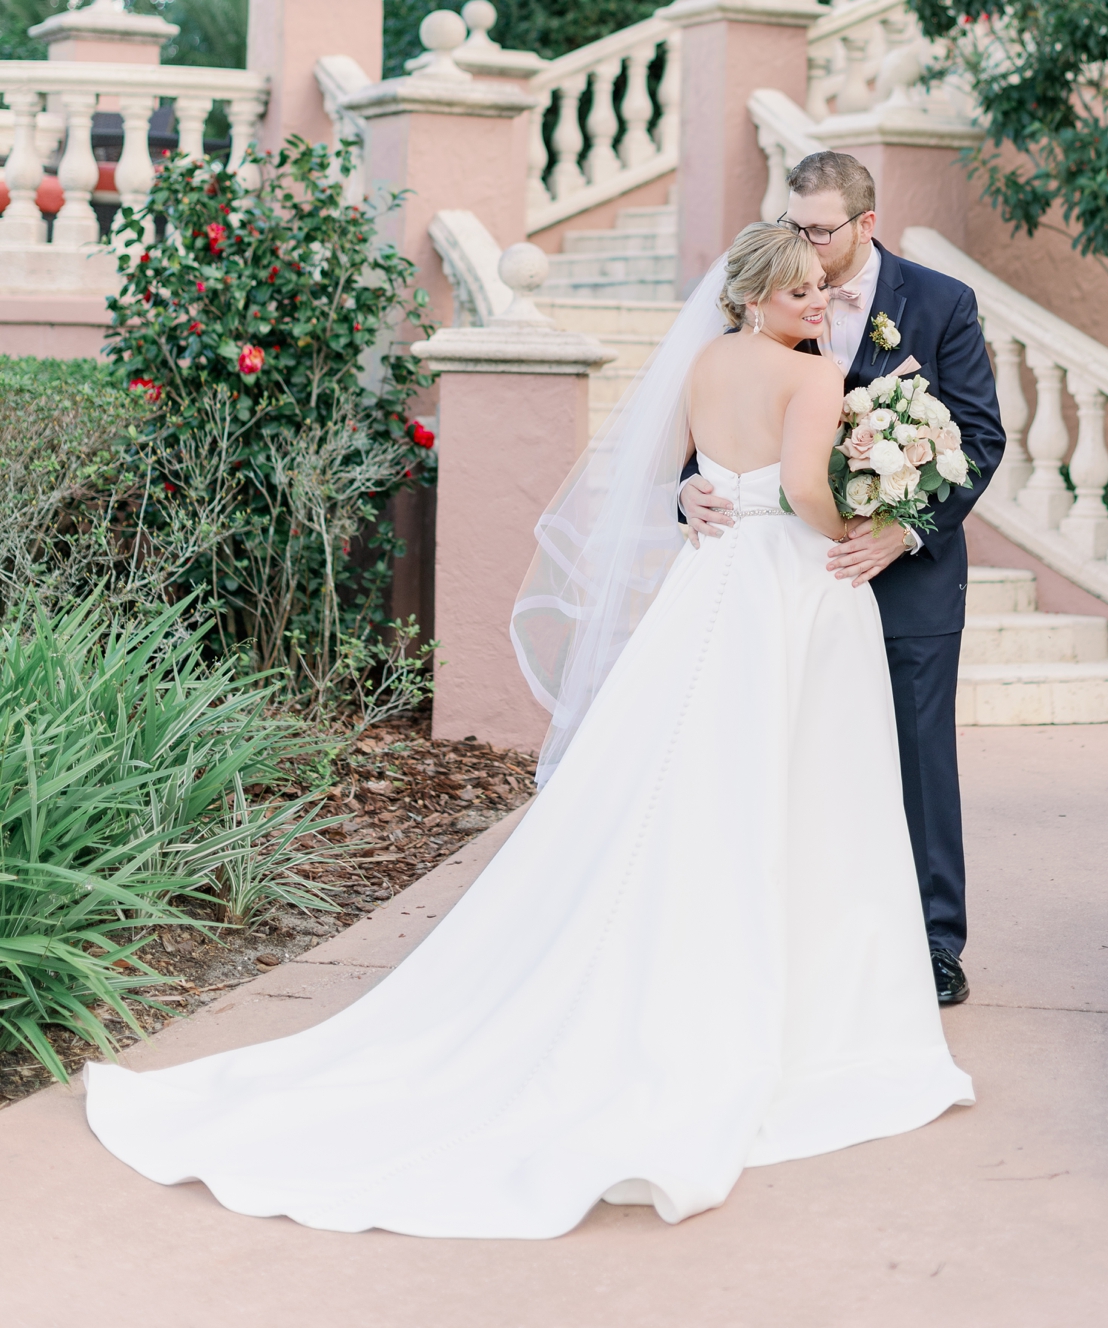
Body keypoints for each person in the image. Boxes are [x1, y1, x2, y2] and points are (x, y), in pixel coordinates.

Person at [85, 223, 972, 1239]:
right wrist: (866, 526)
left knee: (692, 768)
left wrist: (705, 494)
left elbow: (691, 473)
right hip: (788, 586)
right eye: (803, 291)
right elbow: (808, 492)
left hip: (710, 582)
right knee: (795, 776)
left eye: (822, 288)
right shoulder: (811, 377)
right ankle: (797, 989)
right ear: (756, 298)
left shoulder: (703, 363)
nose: (822, 304)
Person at [681, 154, 1005, 1008]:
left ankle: (934, 942)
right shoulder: (768, 293)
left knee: (918, 758)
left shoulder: (941, 303)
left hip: (909, 574)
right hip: (789, 571)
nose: (805, 242)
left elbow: (980, 438)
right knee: (801, 751)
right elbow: (716, 418)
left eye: (820, 229)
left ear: (866, 224)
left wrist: (904, 531)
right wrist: (689, 489)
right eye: (794, 224)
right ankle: (806, 929)